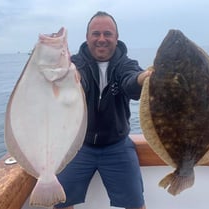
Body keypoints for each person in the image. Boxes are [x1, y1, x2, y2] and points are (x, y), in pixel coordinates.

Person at [54, 11, 150, 209]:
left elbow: (131, 81)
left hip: (117, 145)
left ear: (116, 38)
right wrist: (72, 80)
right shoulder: (74, 64)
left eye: (107, 34)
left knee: (136, 203)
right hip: (78, 146)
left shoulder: (125, 64)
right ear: (87, 37)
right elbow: (80, 83)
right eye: (96, 34)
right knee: (60, 201)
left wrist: (145, 78)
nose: (101, 39)